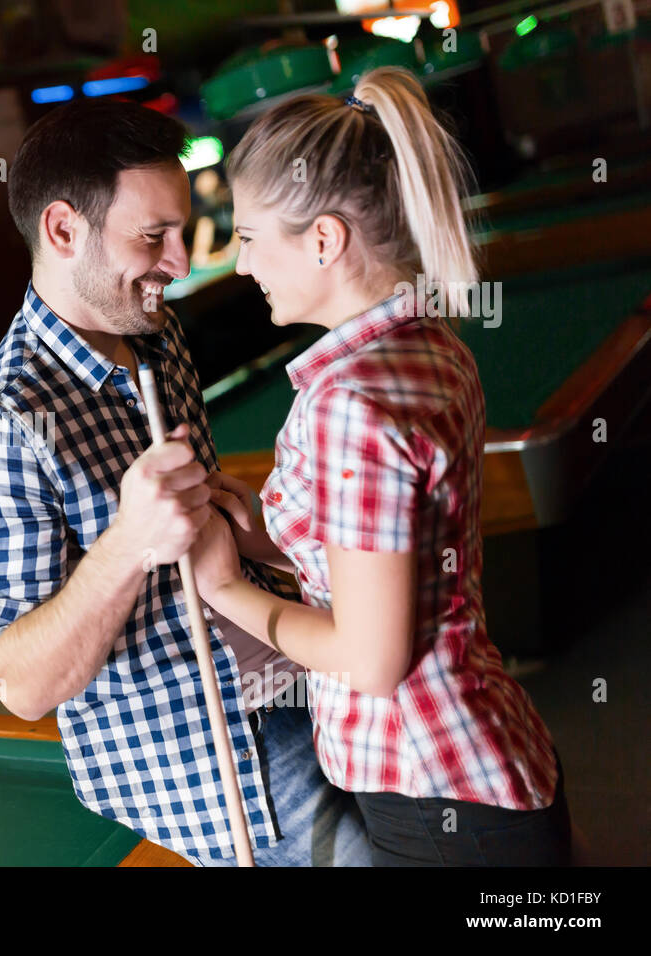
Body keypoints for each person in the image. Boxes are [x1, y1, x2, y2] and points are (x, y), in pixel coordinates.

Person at [0, 97, 370, 866]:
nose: (181, 259)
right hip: (221, 761)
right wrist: (129, 544)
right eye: (153, 236)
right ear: (64, 231)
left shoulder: (156, 333)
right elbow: (21, 683)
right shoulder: (0, 427)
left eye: (182, 226)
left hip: (297, 666)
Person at [189, 67, 572, 865]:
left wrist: (226, 590)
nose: (243, 263)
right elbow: (385, 556)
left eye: (250, 237)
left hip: (439, 800)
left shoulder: (347, 405)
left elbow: (371, 657)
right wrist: (258, 534)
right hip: (479, 764)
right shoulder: (429, 345)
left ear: (324, 240)